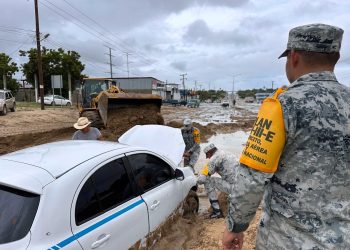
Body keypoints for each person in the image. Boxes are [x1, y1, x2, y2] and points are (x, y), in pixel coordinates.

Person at [223, 23, 350, 250]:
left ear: (293, 57)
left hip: (287, 241)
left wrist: (236, 226)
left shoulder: (282, 105)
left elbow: (252, 177)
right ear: (336, 59)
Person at [197, 143, 238, 219]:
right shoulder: (226, 153)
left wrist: (194, 179)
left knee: (208, 181)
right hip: (244, 186)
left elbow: (201, 180)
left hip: (235, 189)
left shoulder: (214, 159)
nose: (207, 158)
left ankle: (217, 211)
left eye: (207, 155)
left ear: (209, 152)